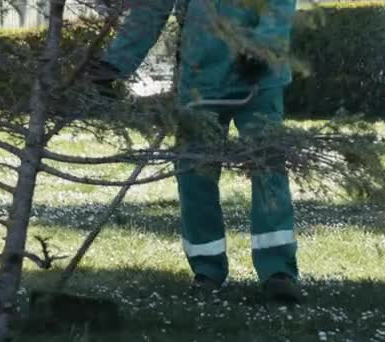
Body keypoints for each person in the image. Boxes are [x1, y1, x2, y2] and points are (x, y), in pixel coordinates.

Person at [91, 0, 299, 302]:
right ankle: (207, 269)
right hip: (201, 77)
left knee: (268, 170)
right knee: (194, 175)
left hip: (258, 78)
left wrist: (262, 47)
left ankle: (278, 271)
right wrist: (116, 64)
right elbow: (153, 8)